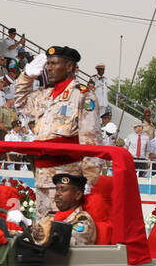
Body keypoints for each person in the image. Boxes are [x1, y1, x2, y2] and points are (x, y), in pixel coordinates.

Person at [13, 45, 99, 216]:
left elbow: (91, 140)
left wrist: (89, 181)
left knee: (63, 229)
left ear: (69, 67)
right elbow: (20, 103)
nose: (48, 68)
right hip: (42, 176)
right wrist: (26, 77)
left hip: (67, 179)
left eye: (53, 64)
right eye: (48, 64)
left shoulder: (82, 96)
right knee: (42, 231)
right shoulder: (45, 95)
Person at [32, 171, 96, 247]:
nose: (57, 194)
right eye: (57, 189)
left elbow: (64, 242)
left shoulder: (83, 221)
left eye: (63, 190)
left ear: (78, 195)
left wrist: (44, 233)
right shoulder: (52, 216)